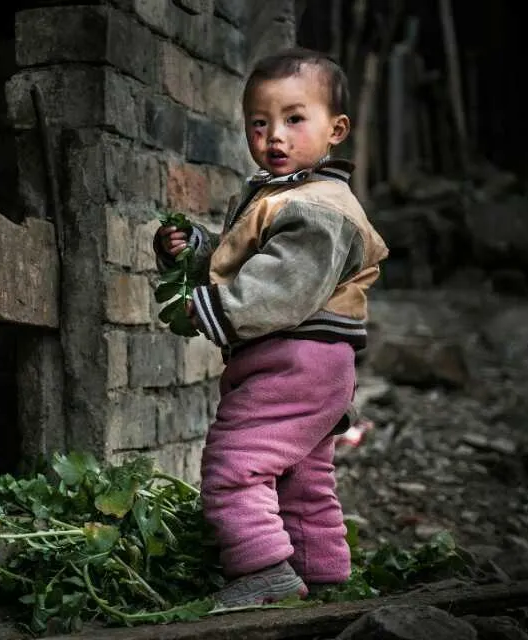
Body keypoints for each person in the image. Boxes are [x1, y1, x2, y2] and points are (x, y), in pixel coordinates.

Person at [154, 47, 389, 606]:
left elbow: (283, 286)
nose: (274, 136)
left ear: (336, 129)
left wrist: (214, 309)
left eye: (293, 119)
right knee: (302, 478)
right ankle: (324, 575)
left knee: (236, 463)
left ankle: (263, 571)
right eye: (259, 124)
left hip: (295, 361)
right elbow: (252, 257)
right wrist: (198, 251)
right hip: (314, 367)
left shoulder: (321, 209)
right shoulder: (283, 197)